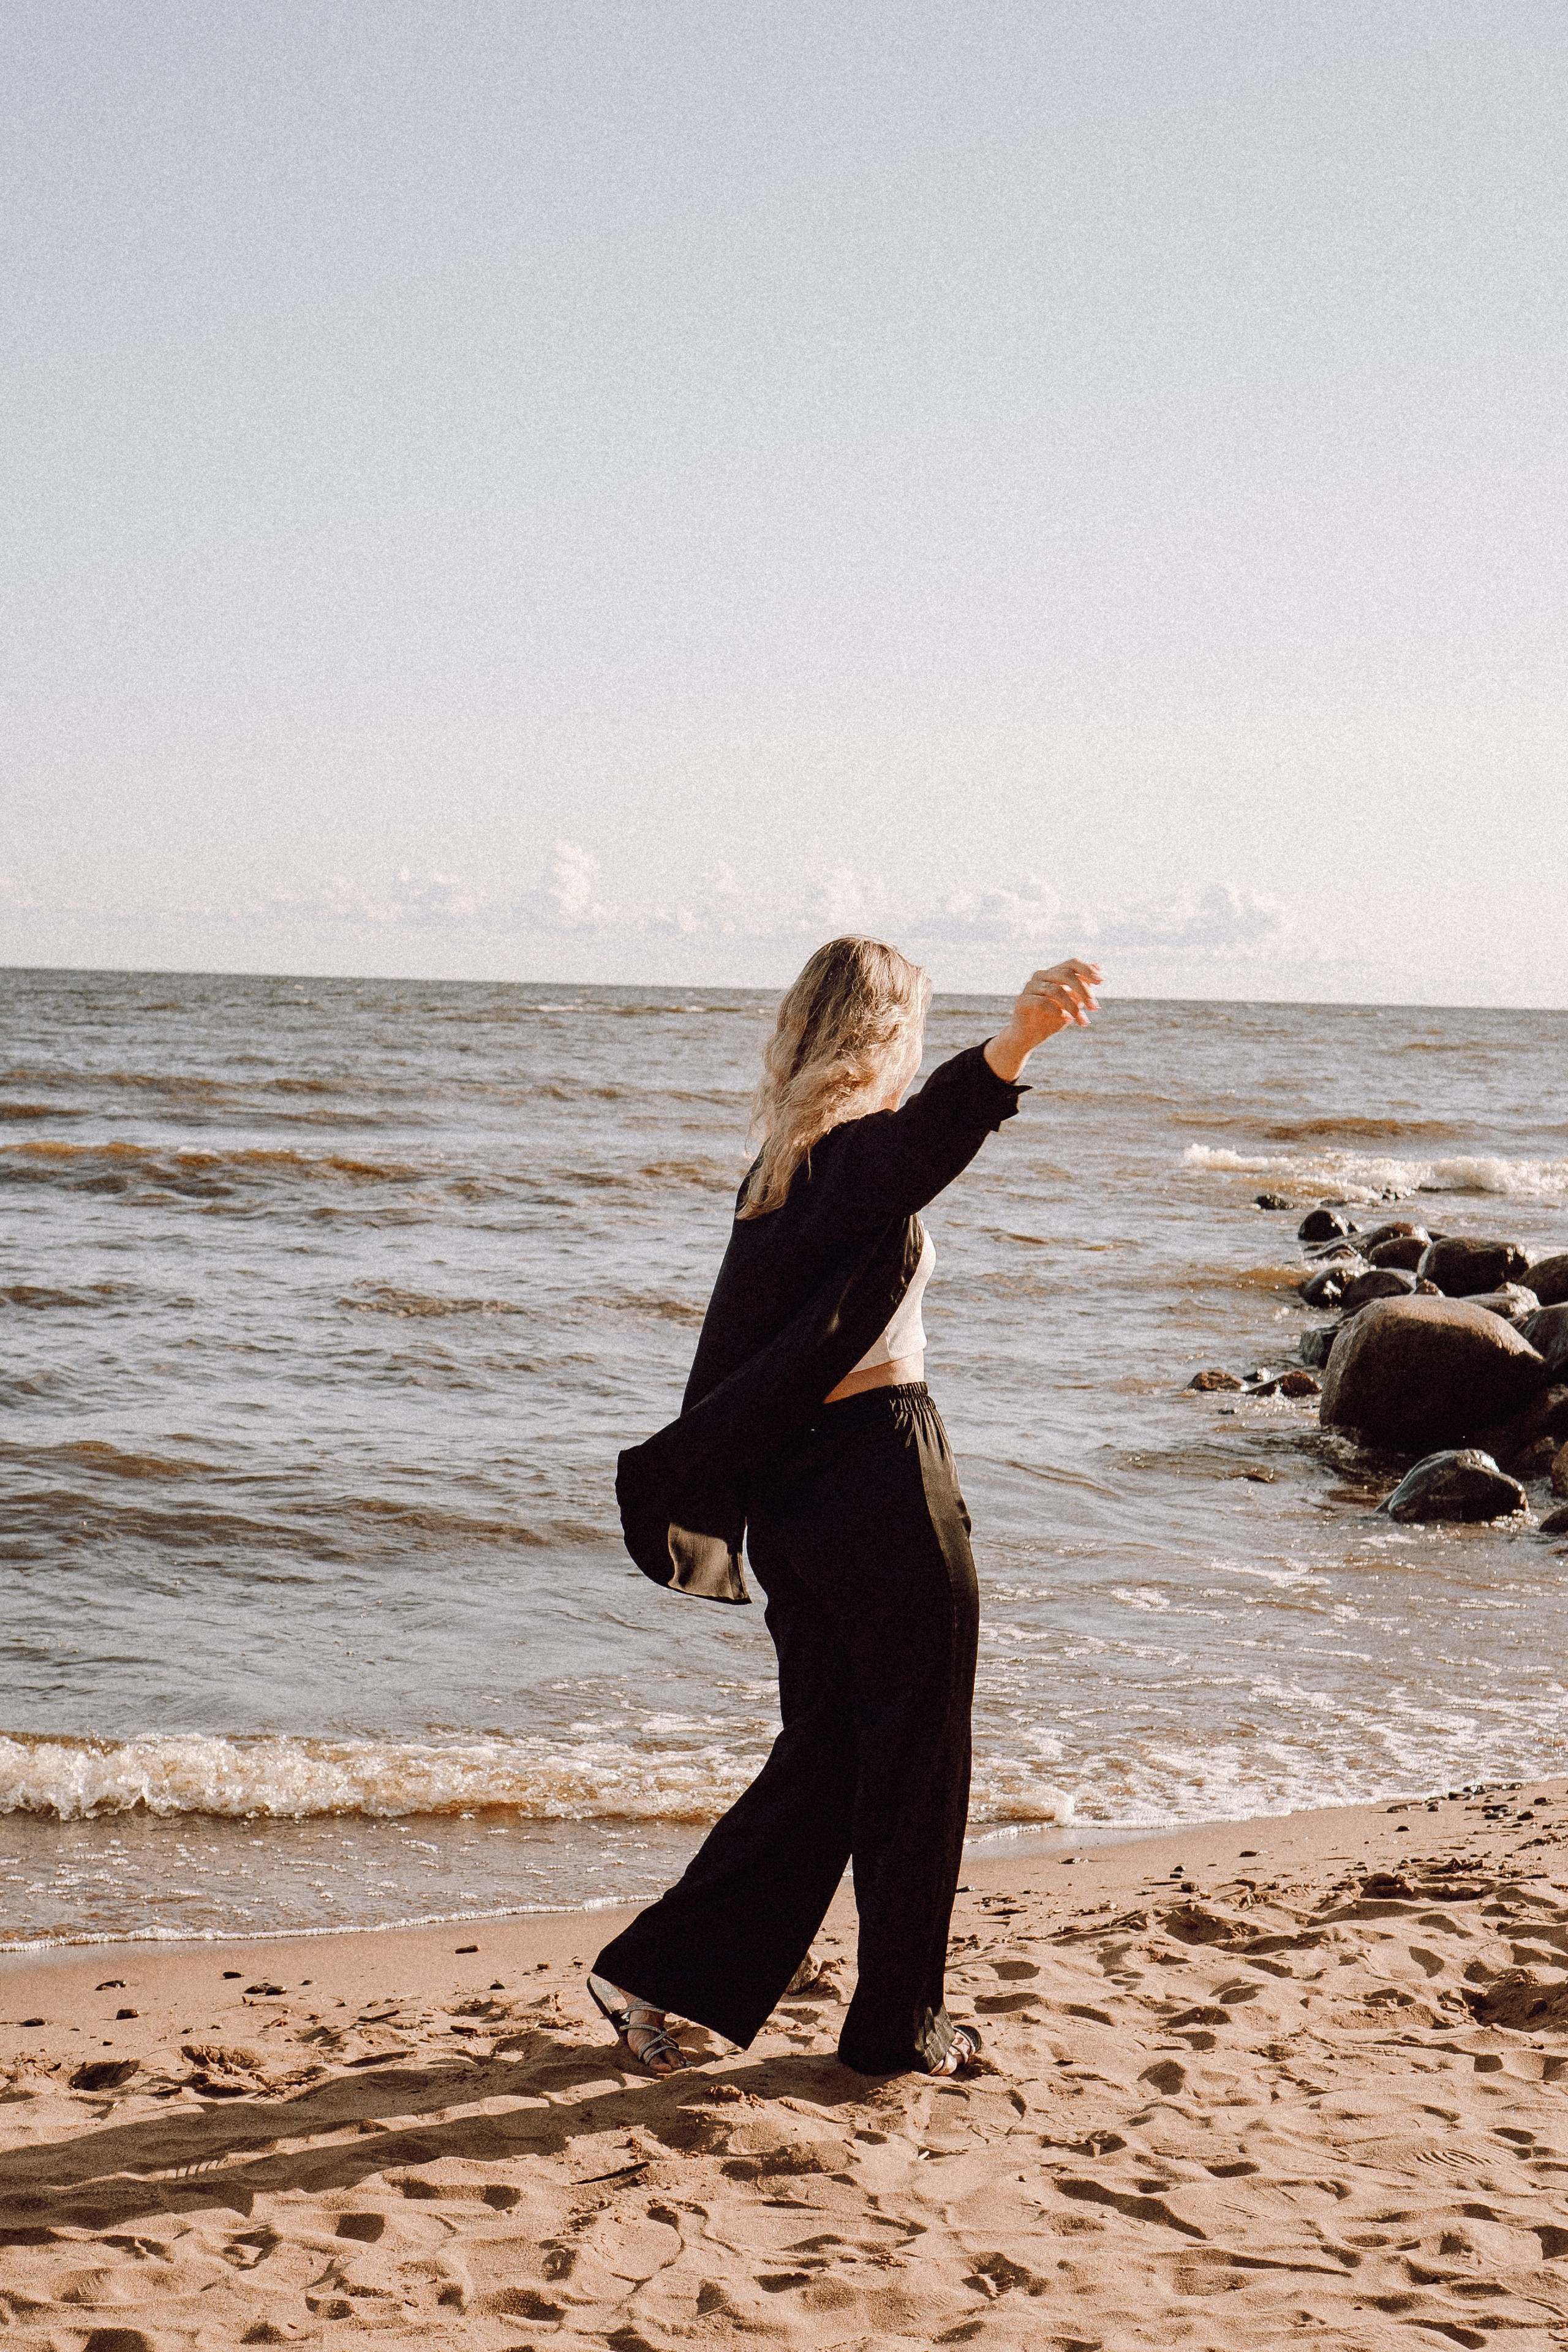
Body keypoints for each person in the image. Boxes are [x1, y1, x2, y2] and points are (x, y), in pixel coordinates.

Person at [592, 937, 1101, 2079]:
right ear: (884, 1035)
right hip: (879, 1477)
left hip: (797, 1504)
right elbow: (930, 1139)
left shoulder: (781, 1166)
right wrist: (1015, 1044)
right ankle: (897, 2028)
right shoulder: (851, 1157)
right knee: (917, 1760)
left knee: (826, 1758)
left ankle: (655, 1975)